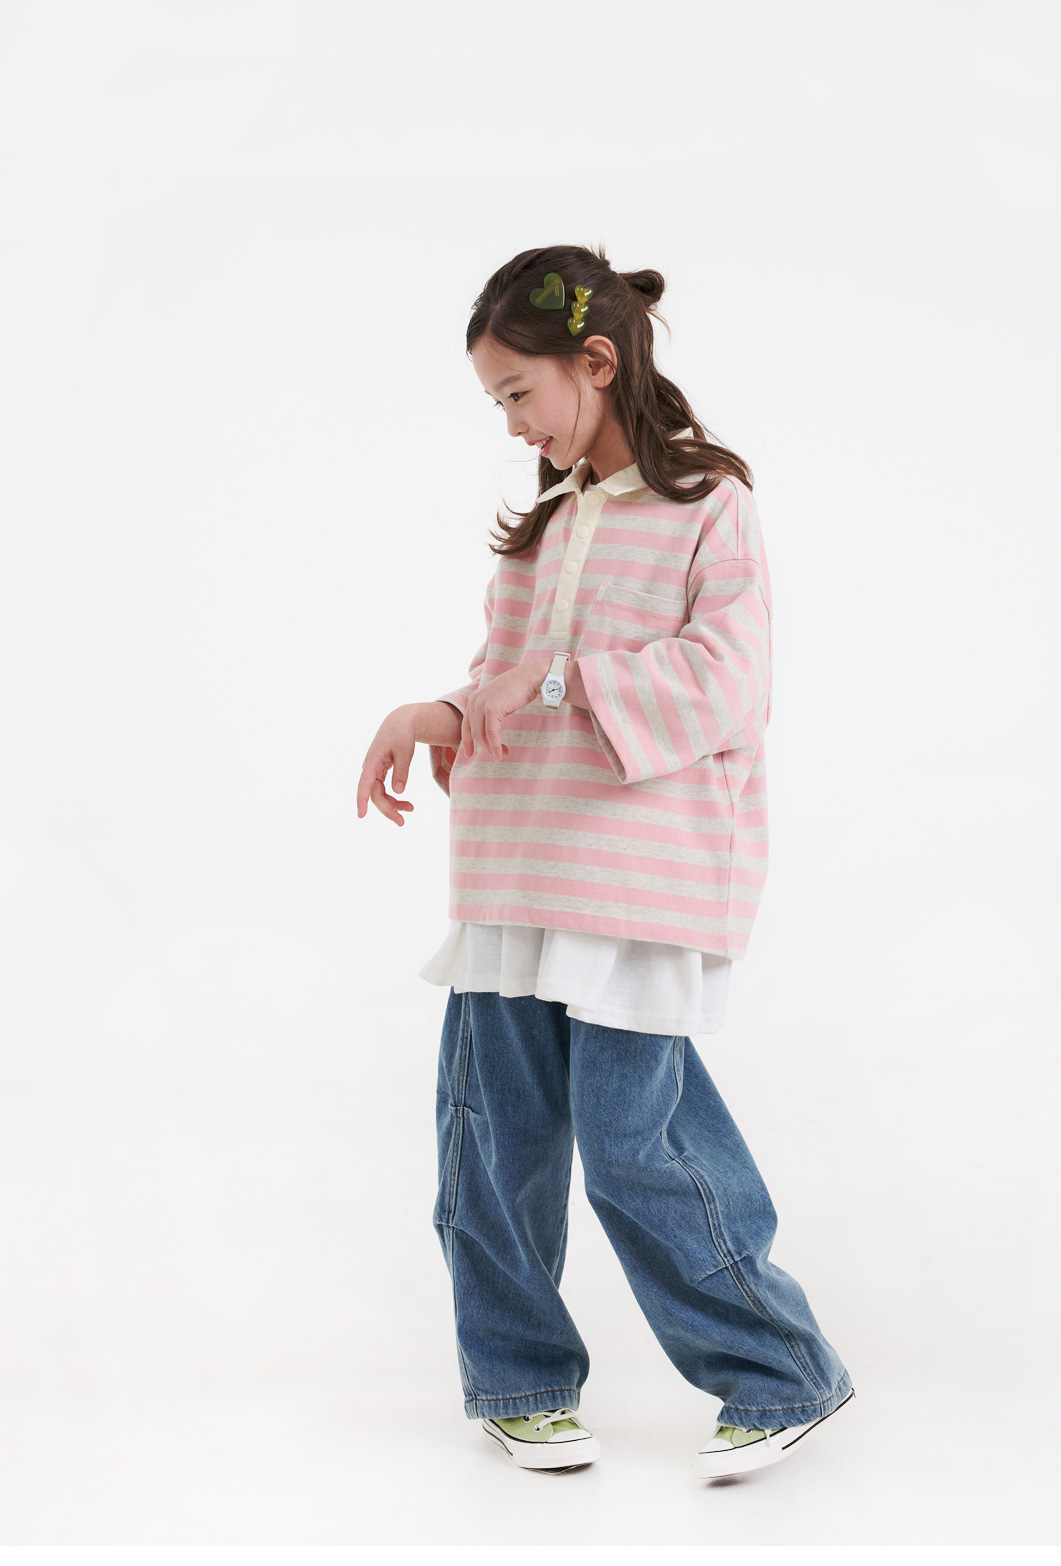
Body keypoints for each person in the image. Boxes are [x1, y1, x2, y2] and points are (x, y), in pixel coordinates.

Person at [356, 244, 855, 1481]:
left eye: (517, 393)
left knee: (643, 1150)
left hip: (637, 884)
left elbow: (730, 682)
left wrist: (559, 677)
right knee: (494, 1151)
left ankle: (780, 1373)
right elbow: (505, 684)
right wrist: (438, 711)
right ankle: (518, 1380)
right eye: (496, 402)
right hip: (511, 878)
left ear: (595, 361)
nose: (511, 424)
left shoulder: (709, 505)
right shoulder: (543, 525)